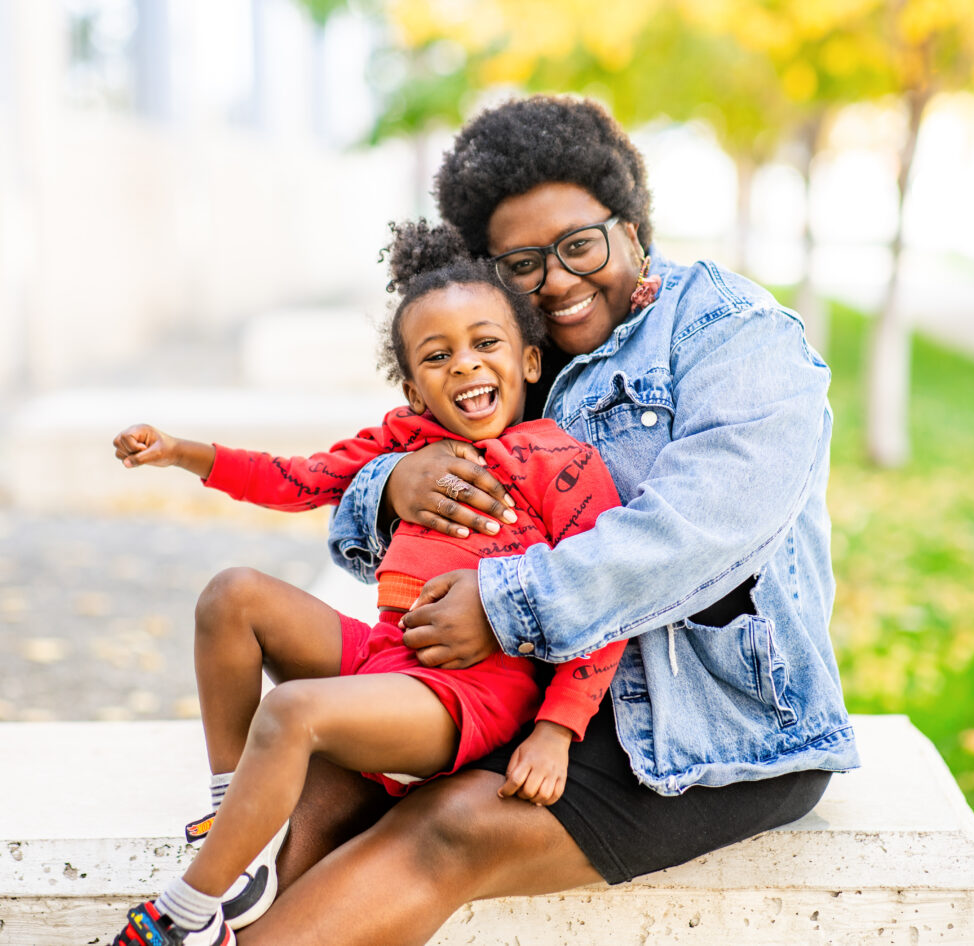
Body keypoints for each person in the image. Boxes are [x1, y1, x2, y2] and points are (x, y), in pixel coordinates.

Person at [210, 94, 862, 946]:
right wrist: (396, 485)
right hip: (515, 688)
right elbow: (377, 519)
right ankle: (192, 921)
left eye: (579, 245)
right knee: (324, 792)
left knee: (453, 825)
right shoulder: (505, 343)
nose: (555, 281)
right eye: (521, 263)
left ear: (633, 229)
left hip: (704, 721)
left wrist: (503, 604)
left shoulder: (735, 335)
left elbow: (700, 530)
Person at [105, 219, 626, 946]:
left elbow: (604, 599)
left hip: (470, 694)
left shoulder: (560, 461)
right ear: (413, 388)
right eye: (438, 356)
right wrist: (181, 452)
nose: (465, 366)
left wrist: (555, 731)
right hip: (388, 657)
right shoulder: (404, 441)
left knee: (291, 712)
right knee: (232, 594)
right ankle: (236, 824)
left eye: (486, 344)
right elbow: (297, 478)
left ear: (530, 361)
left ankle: (187, 916)